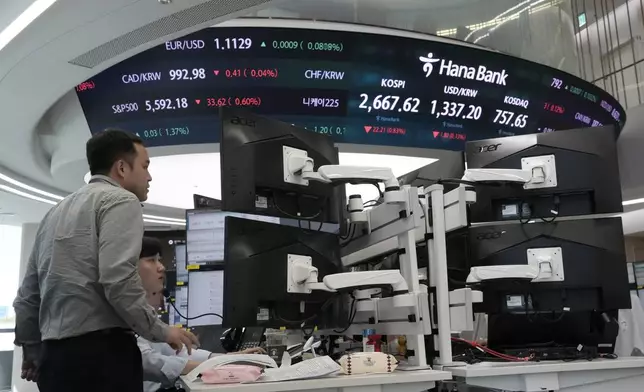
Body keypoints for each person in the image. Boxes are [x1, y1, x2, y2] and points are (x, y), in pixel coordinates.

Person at [13, 129, 199, 392]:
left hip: (54, 363)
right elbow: (118, 279)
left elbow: (27, 296)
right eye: (145, 166)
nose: (149, 176)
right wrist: (162, 331)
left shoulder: (55, 212)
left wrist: (32, 350)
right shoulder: (121, 200)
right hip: (102, 360)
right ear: (121, 168)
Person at [136, 237, 264, 392]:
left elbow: (179, 353)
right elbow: (146, 361)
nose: (161, 267)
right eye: (152, 260)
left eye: (159, 260)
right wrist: (215, 368)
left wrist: (231, 358)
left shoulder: (144, 313)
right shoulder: (124, 313)